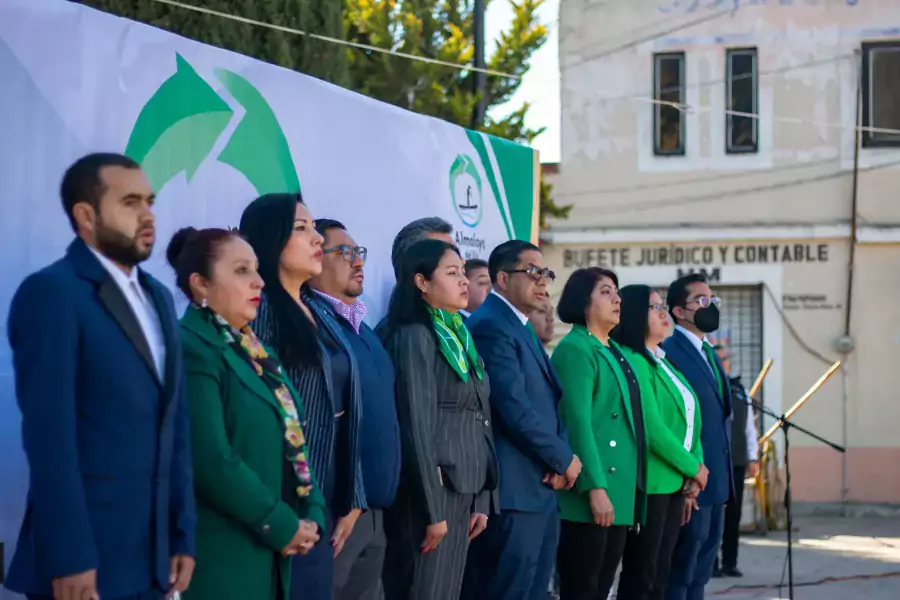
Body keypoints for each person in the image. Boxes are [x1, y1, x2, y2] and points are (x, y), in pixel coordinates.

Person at [4, 153, 196, 600]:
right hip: (86, 564)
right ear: (85, 215)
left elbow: (176, 423)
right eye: (130, 202)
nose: (148, 214)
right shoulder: (53, 293)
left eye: (149, 201)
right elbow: (49, 438)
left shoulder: (160, 298)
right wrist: (69, 556)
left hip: (155, 559)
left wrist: (182, 530)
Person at [168, 227, 326, 600]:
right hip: (223, 552)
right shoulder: (192, 347)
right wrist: (281, 524)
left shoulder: (255, 352)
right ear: (200, 285)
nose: (258, 281)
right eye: (241, 271)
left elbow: (294, 439)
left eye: (256, 270)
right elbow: (212, 459)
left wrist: (312, 512)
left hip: (269, 550)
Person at [240, 193, 367, 600]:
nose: (316, 238)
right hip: (280, 506)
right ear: (269, 239)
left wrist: (353, 496)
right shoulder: (257, 315)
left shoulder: (322, 311)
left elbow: (346, 409)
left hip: (324, 501)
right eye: (301, 228)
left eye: (314, 228)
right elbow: (255, 419)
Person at [379, 239, 498, 600]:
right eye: (451, 273)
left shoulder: (459, 334)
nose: (464, 281)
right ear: (421, 282)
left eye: (464, 272)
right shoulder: (414, 336)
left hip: (465, 490)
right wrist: (433, 511)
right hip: (431, 495)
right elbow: (416, 425)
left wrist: (482, 499)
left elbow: (480, 416)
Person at [462, 240, 580, 600]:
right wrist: (562, 458)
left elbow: (549, 403)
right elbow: (510, 406)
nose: (543, 281)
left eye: (546, 273)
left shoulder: (521, 325)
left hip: (540, 488)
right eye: (533, 272)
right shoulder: (491, 326)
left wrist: (560, 460)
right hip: (512, 491)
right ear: (501, 278)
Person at [310, 219, 402, 600]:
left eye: (358, 252)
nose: (357, 261)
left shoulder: (363, 330)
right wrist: (351, 496)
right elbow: (318, 424)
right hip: (339, 510)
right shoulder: (310, 323)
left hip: (378, 511)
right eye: (344, 252)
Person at [550, 268, 649, 600]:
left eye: (616, 291)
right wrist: (594, 487)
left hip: (620, 491)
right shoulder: (575, 348)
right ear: (584, 300)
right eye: (606, 291)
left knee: (603, 587)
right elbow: (578, 423)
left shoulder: (612, 350)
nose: (617, 298)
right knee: (583, 589)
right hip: (592, 492)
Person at [613, 285, 709, 600]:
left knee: (660, 573)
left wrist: (694, 469)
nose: (663, 313)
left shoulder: (663, 361)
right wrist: (693, 467)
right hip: (651, 482)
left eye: (662, 306)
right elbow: (652, 429)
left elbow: (691, 420)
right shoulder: (634, 361)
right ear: (635, 315)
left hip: (675, 482)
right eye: (654, 308)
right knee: (644, 573)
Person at [662, 274, 734, 600]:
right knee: (681, 571)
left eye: (713, 300)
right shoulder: (669, 351)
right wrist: (689, 473)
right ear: (679, 311)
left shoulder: (709, 352)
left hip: (716, 482)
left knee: (701, 574)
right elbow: (674, 422)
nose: (710, 307)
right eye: (702, 301)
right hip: (690, 482)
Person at [713, 345, 759, 579]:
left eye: (725, 359)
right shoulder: (709, 387)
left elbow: (749, 429)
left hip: (737, 461)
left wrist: (753, 456)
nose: (723, 363)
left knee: (733, 514)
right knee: (713, 514)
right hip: (713, 462)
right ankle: (711, 563)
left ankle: (730, 562)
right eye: (717, 359)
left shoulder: (740, 390)